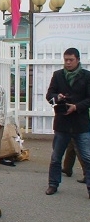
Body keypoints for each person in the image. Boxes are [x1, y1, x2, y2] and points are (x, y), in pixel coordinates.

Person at [45, 48, 90, 197]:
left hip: (80, 124)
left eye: (71, 60)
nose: (68, 63)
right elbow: (49, 95)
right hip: (62, 123)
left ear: (77, 59)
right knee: (56, 157)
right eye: (66, 60)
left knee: (87, 157)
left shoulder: (86, 76)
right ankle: (53, 184)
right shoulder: (58, 75)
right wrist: (57, 97)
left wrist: (77, 107)